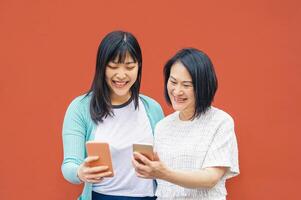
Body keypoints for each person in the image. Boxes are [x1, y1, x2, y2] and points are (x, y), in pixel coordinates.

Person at [61, 31, 164, 200]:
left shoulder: (152, 108)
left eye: (130, 67)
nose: (122, 75)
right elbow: (69, 165)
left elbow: (163, 162)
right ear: (102, 67)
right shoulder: (80, 108)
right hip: (100, 196)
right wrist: (80, 172)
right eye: (114, 66)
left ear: (139, 67)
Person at [132, 48, 239, 200]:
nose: (177, 91)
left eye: (186, 85)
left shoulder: (221, 122)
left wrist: (165, 173)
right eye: (173, 82)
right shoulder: (163, 126)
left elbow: (210, 178)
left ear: (203, 86)